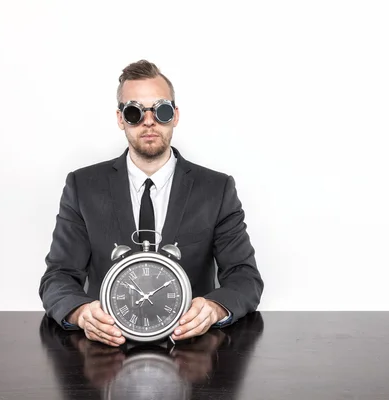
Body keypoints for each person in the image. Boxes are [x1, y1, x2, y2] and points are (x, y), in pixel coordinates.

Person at [39, 59, 264, 347]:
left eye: (162, 110)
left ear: (176, 115)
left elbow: (244, 277)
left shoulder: (216, 189)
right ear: (121, 118)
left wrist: (214, 308)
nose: (149, 121)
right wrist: (81, 313)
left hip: (192, 353)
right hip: (104, 354)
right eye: (134, 112)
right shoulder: (83, 186)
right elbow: (58, 276)